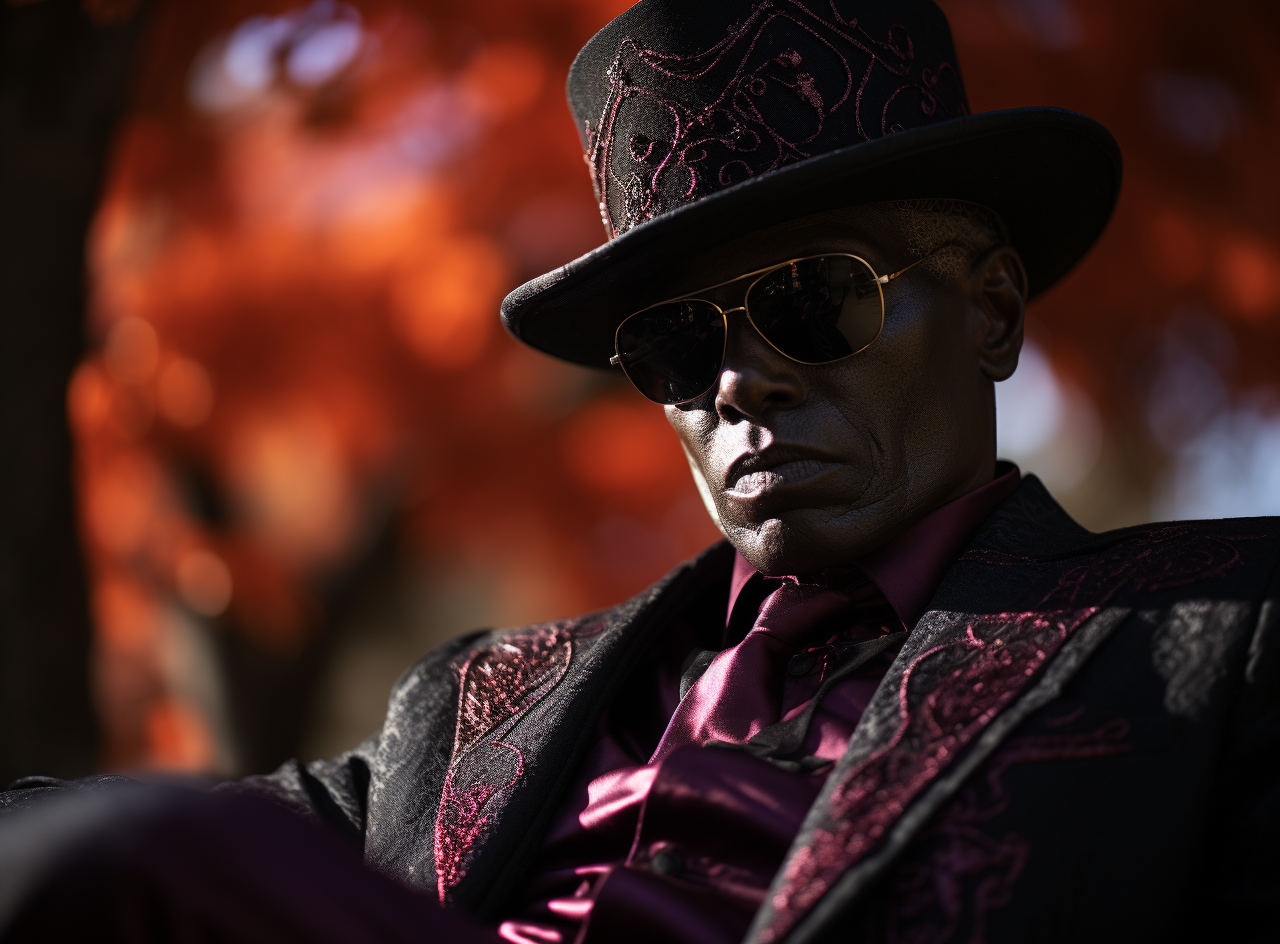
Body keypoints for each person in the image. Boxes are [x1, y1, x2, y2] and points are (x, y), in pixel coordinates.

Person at [2, 1, 1277, 942]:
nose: (737, 381)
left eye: (811, 299)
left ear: (990, 311)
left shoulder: (1222, 625)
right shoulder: (470, 707)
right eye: (676, 343)